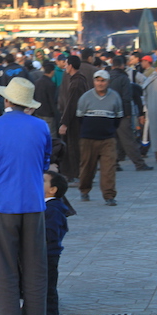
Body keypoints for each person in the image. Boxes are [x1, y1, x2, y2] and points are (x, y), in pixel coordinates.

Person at [0, 77, 52, 315]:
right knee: (36, 267)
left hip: (4, 205)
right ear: (28, 104)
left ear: (7, 100)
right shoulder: (41, 127)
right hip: (34, 204)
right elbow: (45, 163)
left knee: (6, 268)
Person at [76, 70, 124, 206]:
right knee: (87, 167)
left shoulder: (115, 97)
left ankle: (109, 195)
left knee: (108, 169)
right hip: (88, 139)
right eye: (97, 80)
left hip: (107, 139)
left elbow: (118, 118)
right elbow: (79, 117)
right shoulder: (85, 97)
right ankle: (84, 190)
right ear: (94, 81)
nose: (100, 83)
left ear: (108, 82)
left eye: (103, 80)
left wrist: (108, 130)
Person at [109, 56, 153, 171]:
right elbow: (127, 97)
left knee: (115, 140)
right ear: (122, 65)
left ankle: (114, 163)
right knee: (128, 140)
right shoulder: (124, 78)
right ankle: (139, 163)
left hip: (109, 113)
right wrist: (128, 113)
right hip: (122, 113)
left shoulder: (107, 77)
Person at [43, 170, 71, 315]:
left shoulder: (53, 209)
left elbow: (51, 233)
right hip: (47, 253)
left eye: (43, 181)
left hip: (48, 254)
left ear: (52, 190)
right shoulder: (49, 206)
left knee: (48, 288)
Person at [58, 55, 89, 183]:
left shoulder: (76, 82)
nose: (65, 66)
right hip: (77, 119)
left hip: (75, 120)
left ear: (70, 66)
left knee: (73, 147)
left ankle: (76, 173)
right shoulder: (77, 79)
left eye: (66, 64)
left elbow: (72, 104)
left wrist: (64, 122)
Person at [33, 61, 59, 137]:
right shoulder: (51, 84)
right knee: (51, 135)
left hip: (38, 112)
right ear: (52, 71)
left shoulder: (37, 82)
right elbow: (52, 101)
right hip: (48, 114)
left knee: (40, 134)